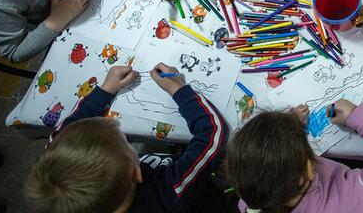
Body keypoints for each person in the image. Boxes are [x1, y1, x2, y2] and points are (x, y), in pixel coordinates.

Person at [25, 63, 227, 212]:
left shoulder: (56, 160)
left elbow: (66, 134)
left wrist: (104, 91)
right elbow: (213, 133)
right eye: (127, 143)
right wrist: (178, 88)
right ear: (137, 172)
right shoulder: (169, 192)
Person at [225, 99, 363, 213]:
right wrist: (358, 118)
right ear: (309, 168)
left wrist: (289, 126)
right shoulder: (350, 199)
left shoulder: (254, 199)